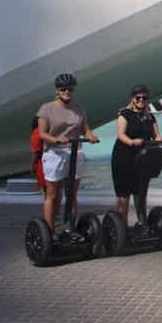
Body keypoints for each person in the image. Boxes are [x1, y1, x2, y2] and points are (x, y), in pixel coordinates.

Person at [36, 73, 99, 237]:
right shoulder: (46, 109)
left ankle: (70, 227)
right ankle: (49, 231)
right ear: (57, 91)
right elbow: (42, 133)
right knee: (53, 194)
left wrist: (91, 136)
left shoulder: (79, 108)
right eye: (63, 89)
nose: (67, 92)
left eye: (70, 89)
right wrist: (56, 140)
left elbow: (85, 129)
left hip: (75, 152)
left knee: (72, 194)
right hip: (54, 153)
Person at [111, 85, 162, 226]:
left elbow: (156, 136)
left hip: (143, 158)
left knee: (140, 193)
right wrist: (131, 142)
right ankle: (122, 228)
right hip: (124, 157)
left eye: (144, 98)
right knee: (124, 195)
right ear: (133, 99)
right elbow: (121, 135)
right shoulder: (125, 114)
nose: (141, 100)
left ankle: (142, 225)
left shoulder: (150, 117)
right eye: (138, 98)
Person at [30, 117, 46, 193]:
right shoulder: (47, 132)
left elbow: (36, 151)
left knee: (47, 189)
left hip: (42, 163)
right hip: (50, 161)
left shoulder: (37, 132)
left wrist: (33, 165)